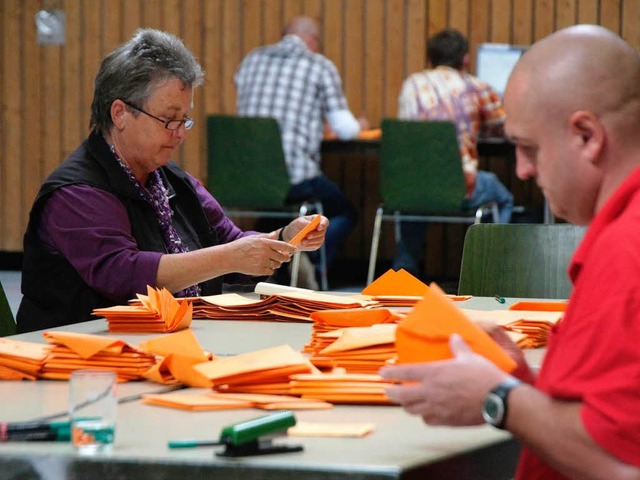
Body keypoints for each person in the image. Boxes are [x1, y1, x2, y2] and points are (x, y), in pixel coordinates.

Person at [380, 25, 640, 479]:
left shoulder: (627, 253)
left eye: (529, 148)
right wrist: (524, 382)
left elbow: (621, 466)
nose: (521, 170)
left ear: (587, 136)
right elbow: (607, 415)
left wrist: (499, 398)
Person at [16, 29, 328, 334]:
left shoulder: (173, 181)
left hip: (163, 343)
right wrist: (231, 255)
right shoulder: (77, 193)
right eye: (168, 120)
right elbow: (125, 275)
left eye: (184, 120)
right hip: (78, 361)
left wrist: (284, 236)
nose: (180, 133)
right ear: (120, 114)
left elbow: (228, 243)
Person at [234, 16, 368, 278]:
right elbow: (345, 129)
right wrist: (361, 124)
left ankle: (275, 268)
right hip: (293, 177)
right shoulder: (318, 65)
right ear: (312, 41)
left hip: (243, 177)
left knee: (273, 217)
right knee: (346, 212)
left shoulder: (251, 60)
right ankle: (310, 267)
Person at [392, 28, 513, 277]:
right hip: (459, 186)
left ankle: (403, 271)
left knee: (416, 193)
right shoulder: (477, 87)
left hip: (409, 186)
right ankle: (493, 273)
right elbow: (505, 128)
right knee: (503, 197)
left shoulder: (411, 84)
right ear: (466, 59)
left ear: (430, 59)